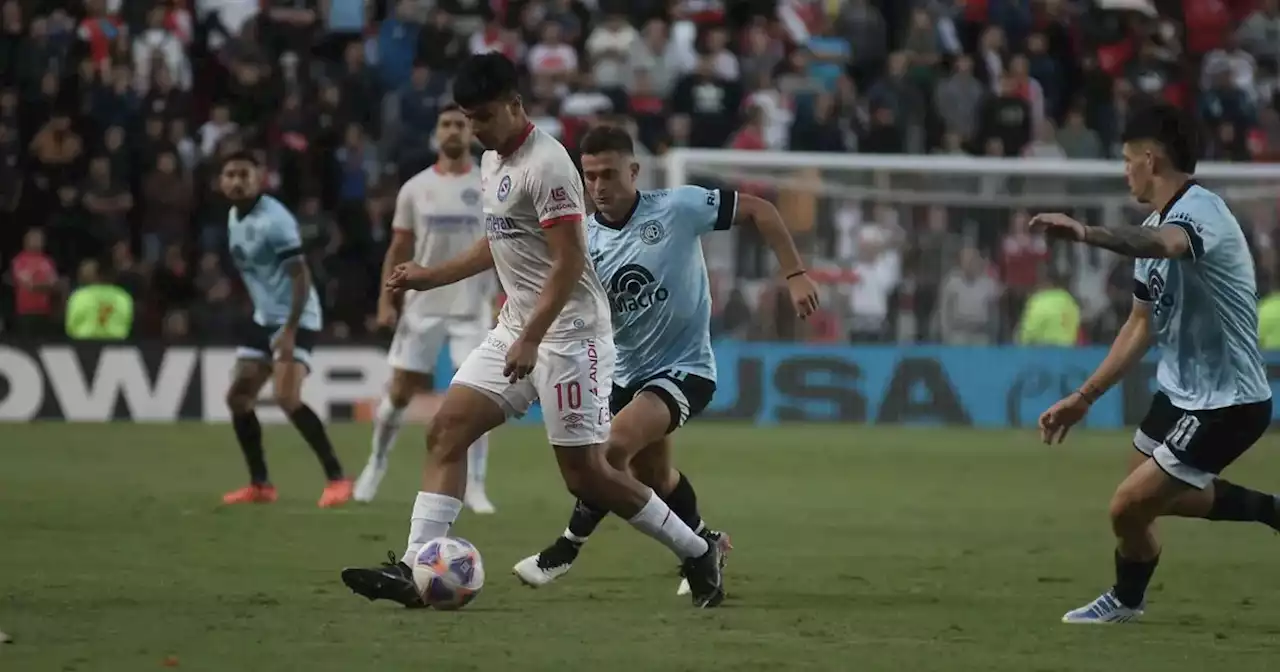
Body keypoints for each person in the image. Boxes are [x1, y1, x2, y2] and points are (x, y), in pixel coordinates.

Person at [339, 53, 727, 609]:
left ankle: (697, 548)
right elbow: (498, 238)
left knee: (587, 476)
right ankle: (414, 567)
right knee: (446, 431)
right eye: (467, 118)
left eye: (484, 117)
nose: (475, 130)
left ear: (516, 105)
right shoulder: (493, 158)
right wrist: (432, 275)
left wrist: (531, 337)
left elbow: (568, 261)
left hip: (572, 337)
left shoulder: (547, 166)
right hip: (518, 326)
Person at [512, 124, 819, 595]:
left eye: (609, 175)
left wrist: (795, 275)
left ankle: (565, 549)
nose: (598, 187)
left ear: (634, 171)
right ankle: (704, 544)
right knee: (653, 476)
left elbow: (760, 210)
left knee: (609, 453)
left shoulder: (677, 208)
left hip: (685, 369)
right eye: (589, 176)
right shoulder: (583, 241)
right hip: (623, 373)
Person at [1030, 103, 1276, 624]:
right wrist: (1083, 398)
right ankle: (1270, 511)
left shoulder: (1201, 213)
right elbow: (1141, 325)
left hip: (1228, 401)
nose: (1125, 172)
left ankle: (1125, 602)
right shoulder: (1152, 225)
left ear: (1150, 159)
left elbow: (1169, 245)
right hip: (1181, 393)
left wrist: (1087, 233)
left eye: (1126, 161)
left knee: (1127, 505)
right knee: (1140, 506)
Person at [352, 103, 496, 514]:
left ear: (471, 133)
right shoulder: (415, 188)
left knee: (479, 398)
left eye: (460, 125)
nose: (453, 131)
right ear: (436, 133)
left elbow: (503, 246)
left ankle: (477, 486)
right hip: (423, 306)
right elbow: (399, 249)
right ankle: (375, 465)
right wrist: (386, 299)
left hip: (472, 306)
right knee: (399, 392)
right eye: (446, 124)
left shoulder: (489, 185)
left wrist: (504, 297)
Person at [218, 150, 353, 508]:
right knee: (238, 398)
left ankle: (337, 478)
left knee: (286, 396)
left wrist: (290, 329)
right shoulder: (235, 216)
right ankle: (260, 485)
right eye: (229, 174)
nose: (235, 181)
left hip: (298, 316)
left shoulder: (274, 221)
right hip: (265, 317)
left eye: (243, 174)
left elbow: (301, 276)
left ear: (260, 177)